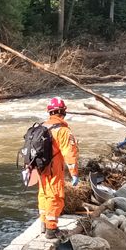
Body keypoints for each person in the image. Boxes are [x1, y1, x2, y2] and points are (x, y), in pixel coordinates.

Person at [37, 96, 80, 239]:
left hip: (40, 167)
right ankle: (51, 229)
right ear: (63, 111)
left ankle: (44, 223)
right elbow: (70, 153)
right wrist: (74, 173)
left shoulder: (42, 126)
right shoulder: (63, 131)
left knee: (44, 194)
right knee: (55, 196)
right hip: (54, 168)